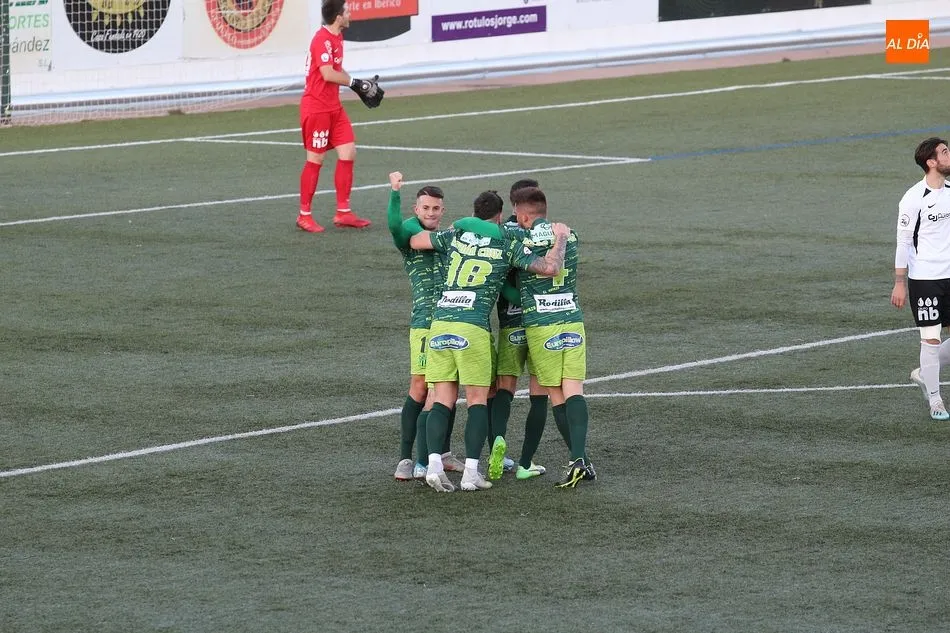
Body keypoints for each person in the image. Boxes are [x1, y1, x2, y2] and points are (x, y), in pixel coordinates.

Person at [408, 192, 570, 492]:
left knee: (442, 399)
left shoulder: (455, 235)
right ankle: (471, 473)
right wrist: (559, 239)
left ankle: (432, 464)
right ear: (499, 217)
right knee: (477, 401)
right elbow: (550, 268)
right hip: (472, 328)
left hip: (440, 324)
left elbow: (416, 240)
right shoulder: (507, 244)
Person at [510, 186, 595, 488]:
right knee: (574, 389)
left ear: (521, 215)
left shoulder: (518, 238)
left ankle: (579, 458)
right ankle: (580, 459)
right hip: (572, 320)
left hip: (540, 325)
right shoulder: (570, 235)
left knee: (555, 393)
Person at [386, 172, 465, 481]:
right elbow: (395, 226)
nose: (431, 213)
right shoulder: (408, 236)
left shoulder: (445, 239)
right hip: (424, 324)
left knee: (448, 388)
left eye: (436, 208)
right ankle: (408, 460)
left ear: (442, 211)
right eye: (426, 208)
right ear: (416, 209)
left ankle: (441, 454)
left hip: (452, 322)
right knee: (420, 387)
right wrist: (394, 192)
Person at [487, 178, 549, 481]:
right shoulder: (548, 232)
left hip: (510, 323)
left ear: (513, 206)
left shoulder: (502, 233)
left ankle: (497, 444)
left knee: (504, 389)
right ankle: (526, 462)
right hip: (540, 323)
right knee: (540, 392)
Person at [296, 0, 374, 233]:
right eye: (347, 11)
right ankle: (304, 215)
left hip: (334, 107)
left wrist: (359, 86)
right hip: (316, 108)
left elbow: (337, 70)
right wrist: (354, 82)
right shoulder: (322, 40)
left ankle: (343, 213)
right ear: (338, 17)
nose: (350, 14)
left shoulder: (337, 37)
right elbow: (328, 74)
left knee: (348, 152)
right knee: (315, 160)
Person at [891, 137, 950, 421]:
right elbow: (903, 242)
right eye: (944, 152)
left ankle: (923, 373)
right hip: (925, 279)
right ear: (931, 162)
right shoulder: (913, 198)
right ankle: (936, 400)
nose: (949, 155)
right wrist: (900, 282)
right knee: (931, 340)